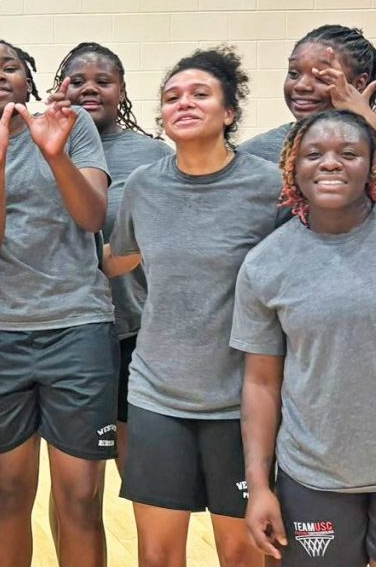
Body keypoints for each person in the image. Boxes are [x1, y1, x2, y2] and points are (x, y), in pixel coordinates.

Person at [0, 39, 116, 567]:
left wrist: (53, 154)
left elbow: (92, 217)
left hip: (78, 329)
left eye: (10, 67)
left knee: (80, 495)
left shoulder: (71, 129)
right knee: (9, 491)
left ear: (28, 82)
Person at [105, 46, 284, 567]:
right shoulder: (143, 185)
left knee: (243, 554)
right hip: (157, 395)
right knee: (157, 555)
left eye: (199, 94)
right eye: (171, 97)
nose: (183, 103)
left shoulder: (269, 186)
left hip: (241, 403)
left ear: (229, 112)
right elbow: (121, 257)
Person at [235, 109, 376, 567]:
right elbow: (260, 383)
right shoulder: (266, 263)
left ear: (371, 166)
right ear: (292, 168)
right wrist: (259, 486)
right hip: (314, 476)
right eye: (314, 154)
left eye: (349, 153)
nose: (330, 162)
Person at [52, 42, 172, 475]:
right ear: (59, 87)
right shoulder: (40, 148)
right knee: (77, 480)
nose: (90, 89)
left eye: (103, 81)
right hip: (61, 328)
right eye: (78, 81)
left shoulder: (154, 156)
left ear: (121, 90)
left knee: (137, 467)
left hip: (133, 328)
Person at [241, 24, 376, 163]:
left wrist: (367, 117)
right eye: (294, 73)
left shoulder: (370, 145)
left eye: (321, 77)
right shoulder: (255, 155)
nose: (301, 86)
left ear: (359, 84)